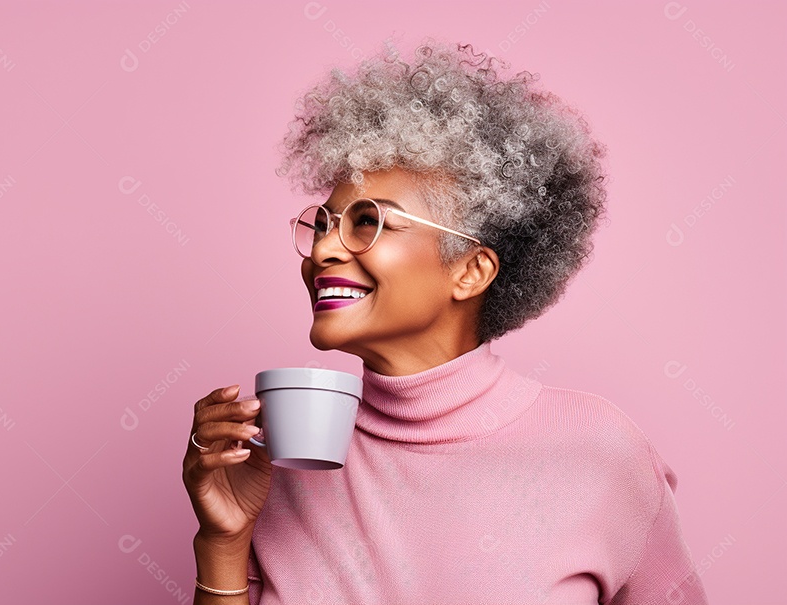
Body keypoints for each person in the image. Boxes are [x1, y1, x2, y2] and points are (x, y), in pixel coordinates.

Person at [182, 38, 708, 605]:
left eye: (367, 223)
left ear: (471, 270)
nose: (323, 250)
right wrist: (224, 539)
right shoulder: (282, 458)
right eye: (324, 223)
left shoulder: (600, 453)